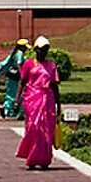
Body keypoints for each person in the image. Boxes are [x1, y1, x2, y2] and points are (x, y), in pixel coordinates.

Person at [15, 35, 61, 169]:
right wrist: (17, 99)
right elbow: (22, 82)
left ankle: (44, 159)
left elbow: (55, 86)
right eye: (40, 49)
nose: (42, 52)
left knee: (46, 129)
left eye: (45, 50)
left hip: (47, 99)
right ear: (35, 50)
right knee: (33, 128)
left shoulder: (51, 66)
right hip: (32, 99)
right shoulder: (29, 64)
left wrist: (59, 104)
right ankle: (32, 157)